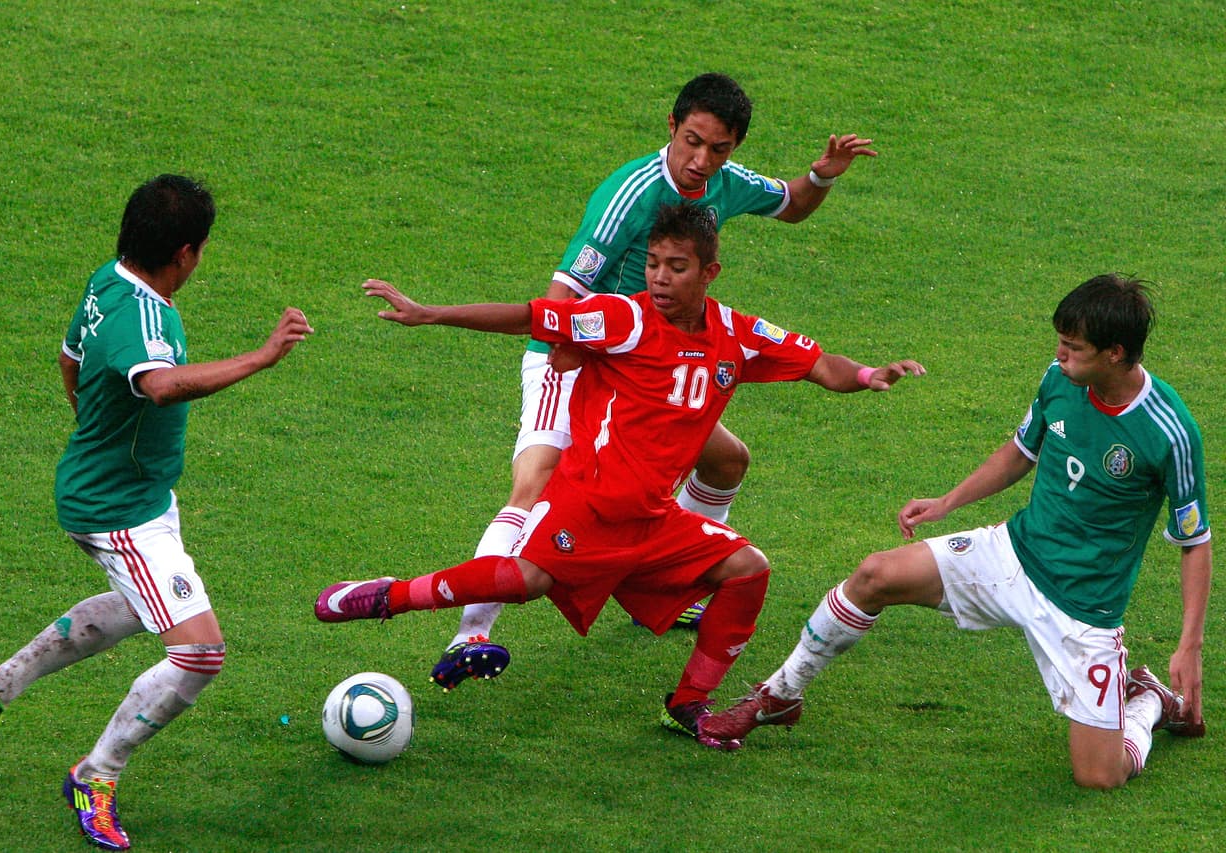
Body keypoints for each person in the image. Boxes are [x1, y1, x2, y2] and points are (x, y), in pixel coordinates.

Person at [317, 202, 924, 749]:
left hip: (655, 520)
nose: (659, 277)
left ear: (709, 272)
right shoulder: (622, 320)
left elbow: (820, 363)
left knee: (748, 570)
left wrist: (868, 374)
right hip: (589, 506)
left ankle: (689, 705)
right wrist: (431, 314)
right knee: (522, 582)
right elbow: (533, 316)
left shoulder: (737, 335)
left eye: (676, 266)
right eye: (655, 264)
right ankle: (386, 597)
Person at [433, 72, 878, 690]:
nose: (701, 161)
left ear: (733, 147)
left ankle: (683, 588)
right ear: (671, 127)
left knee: (726, 462)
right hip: (583, 353)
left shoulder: (724, 183)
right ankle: (472, 636)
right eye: (691, 141)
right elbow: (565, 287)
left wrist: (825, 172)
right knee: (533, 485)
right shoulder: (630, 193)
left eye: (717, 149)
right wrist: (566, 349)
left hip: (652, 370)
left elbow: (792, 202)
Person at [702, 274, 1211, 788]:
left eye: (1073, 347)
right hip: (1014, 553)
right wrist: (948, 502)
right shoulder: (1061, 380)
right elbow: (1021, 452)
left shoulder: (1168, 431)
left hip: (1083, 609)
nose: (1059, 354)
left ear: (1116, 354)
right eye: (1060, 341)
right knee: (875, 574)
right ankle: (778, 695)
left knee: (1100, 777)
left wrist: (1188, 645)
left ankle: (1148, 699)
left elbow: (1196, 543)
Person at [0, 174, 313, 850]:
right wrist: (263, 356)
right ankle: (96, 774)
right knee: (200, 651)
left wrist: (97, 435)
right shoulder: (146, 314)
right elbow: (160, 385)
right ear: (183, 253)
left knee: (136, 608)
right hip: (119, 510)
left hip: (130, 494)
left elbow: (69, 360)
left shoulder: (106, 281)